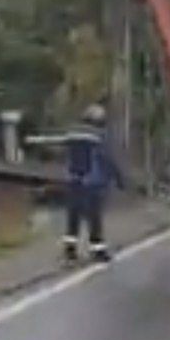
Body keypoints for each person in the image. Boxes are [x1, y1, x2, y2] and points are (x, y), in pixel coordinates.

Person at [27, 103, 125, 263]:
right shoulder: (99, 135)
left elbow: (57, 145)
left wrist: (34, 141)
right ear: (99, 120)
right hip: (92, 181)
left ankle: (70, 251)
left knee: (73, 216)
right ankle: (98, 251)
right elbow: (108, 159)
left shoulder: (73, 132)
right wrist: (119, 179)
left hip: (73, 180)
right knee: (94, 217)